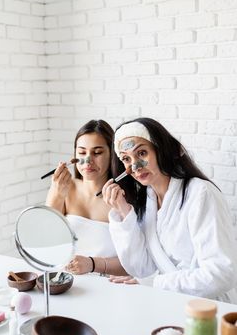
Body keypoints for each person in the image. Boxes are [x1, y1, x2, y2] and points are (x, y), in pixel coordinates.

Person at [102, 117, 237, 303]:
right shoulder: (146, 201)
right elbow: (142, 271)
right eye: (126, 158)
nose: (135, 166)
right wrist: (124, 211)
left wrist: (155, 284)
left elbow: (222, 273)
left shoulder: (201, 194)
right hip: (167, 302)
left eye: (141, 153)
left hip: (208, 308)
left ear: (162, 150)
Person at [46, 119, 127, 277]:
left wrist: (91, 264)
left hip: (110, 287)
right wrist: (56, 195)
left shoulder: (121, 197)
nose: (88, 160)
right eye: (82, 152)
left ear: (112, 154)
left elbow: (133, 264)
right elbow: (47, 243)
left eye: (97, 153)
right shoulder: (64, 187)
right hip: (66, 283)